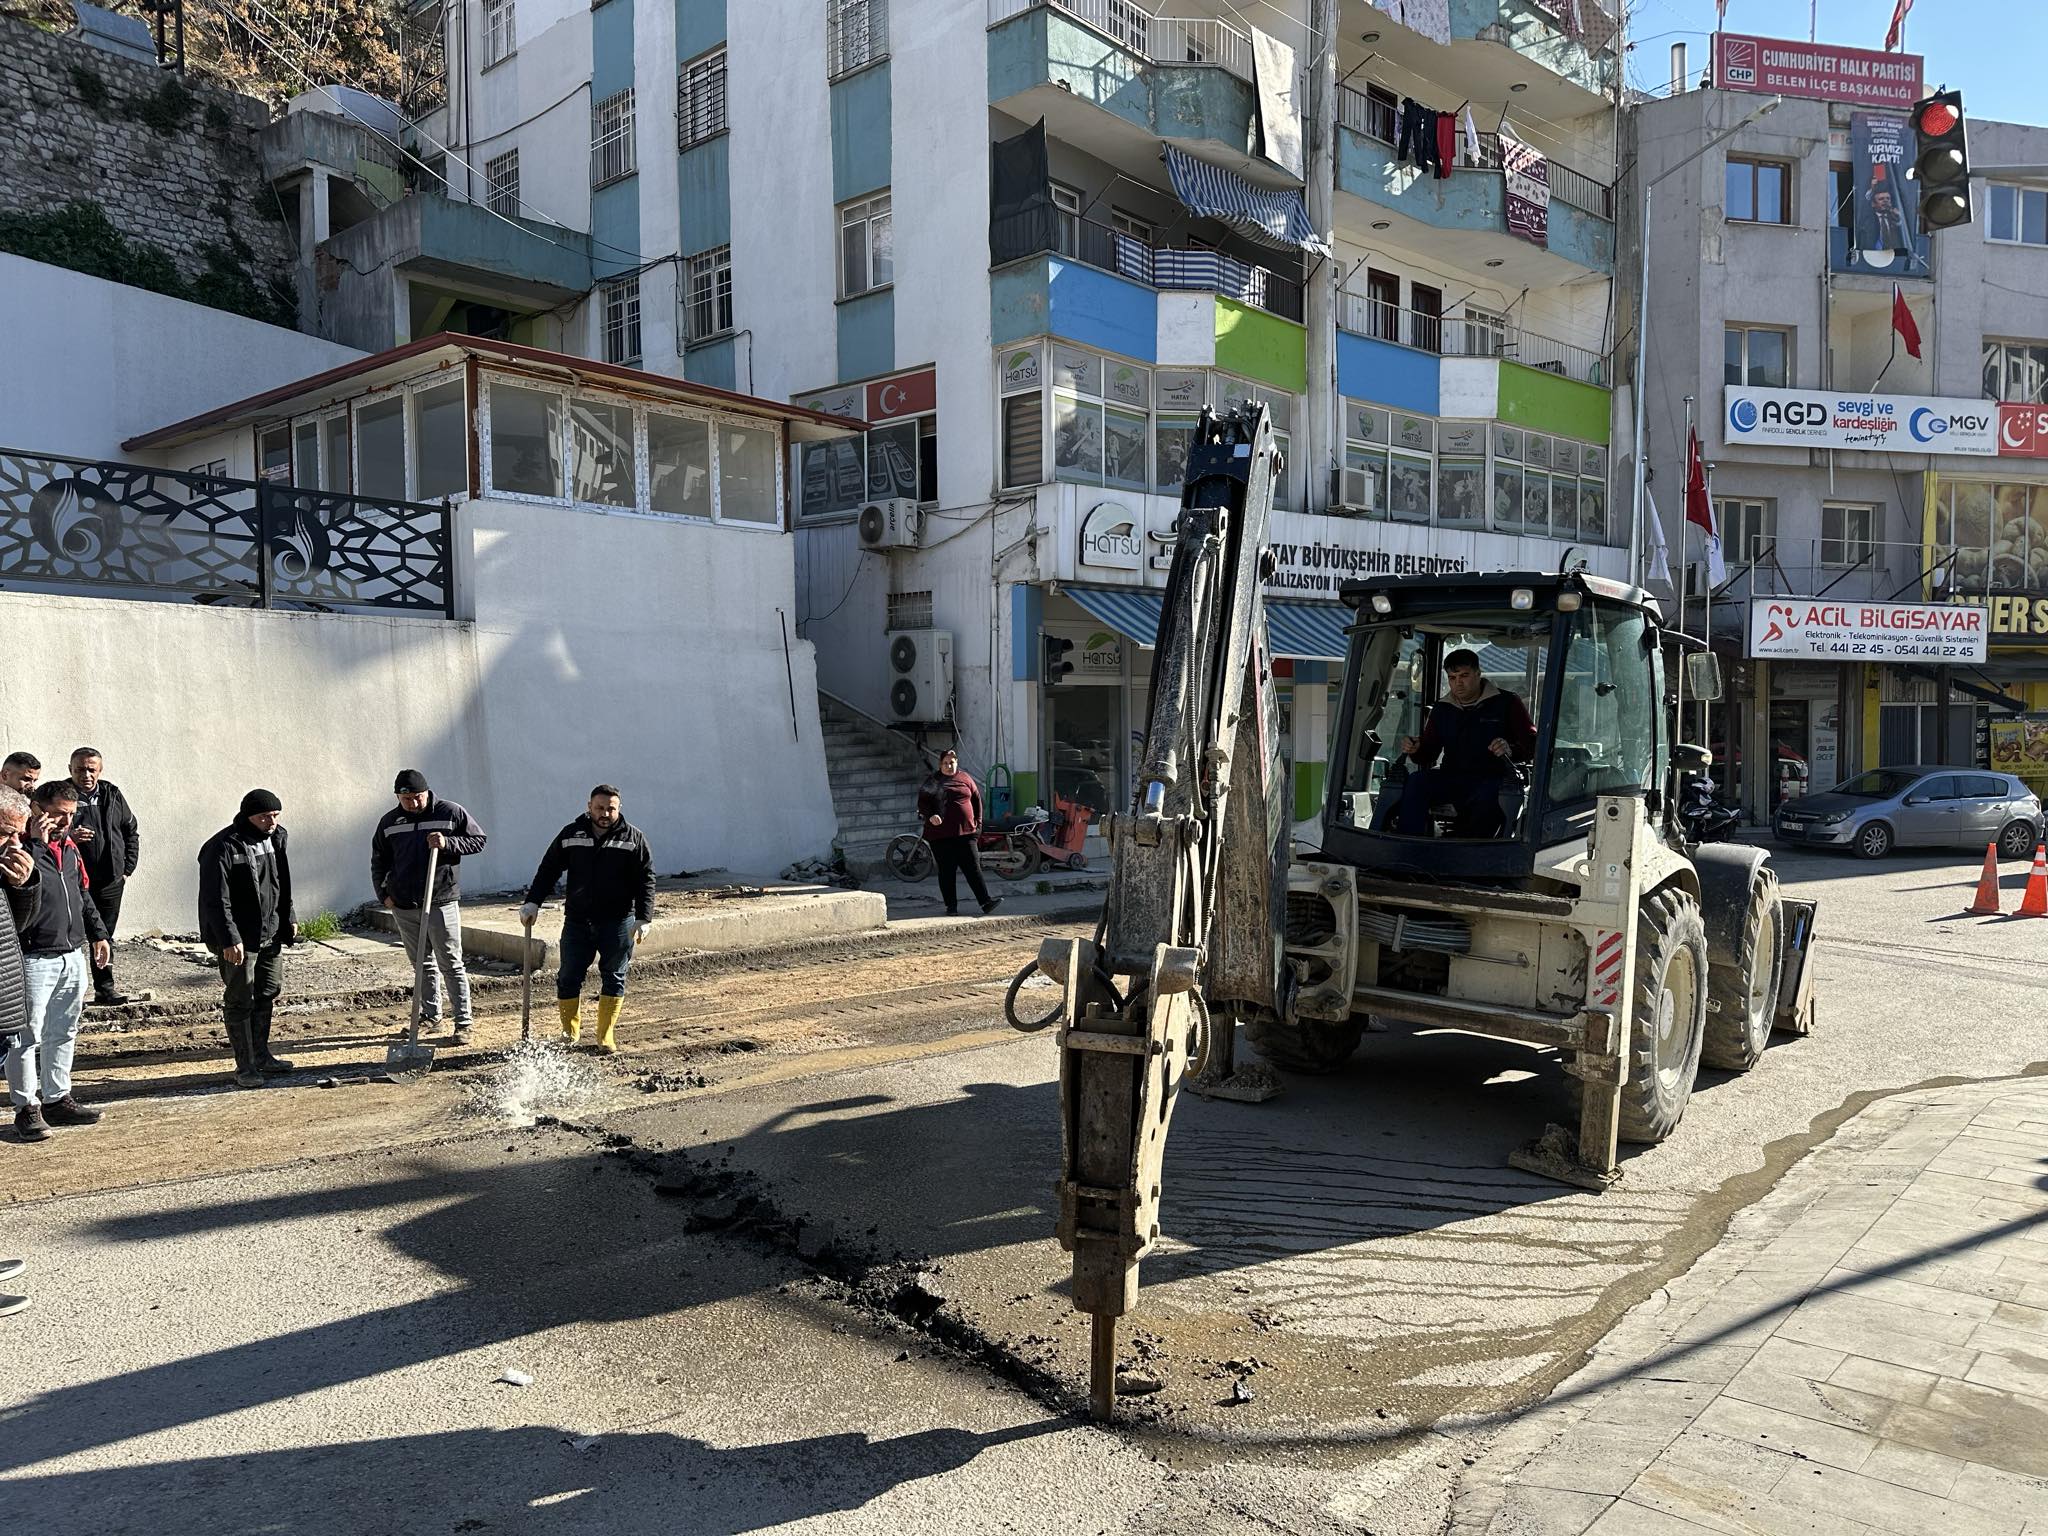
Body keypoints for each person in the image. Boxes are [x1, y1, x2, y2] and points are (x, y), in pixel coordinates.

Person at [6, 782, 109, 1139]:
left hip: (71, 953)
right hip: (33, 956)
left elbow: (82, 894)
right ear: (38, 809)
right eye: (58, 813)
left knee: (63, 1031)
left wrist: (98, 934)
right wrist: (34, 843)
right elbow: (20, 894)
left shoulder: (69, 849)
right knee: (26, 1036)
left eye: (70, 813)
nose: (65, 820)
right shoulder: (19, 847)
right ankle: (26, 1107)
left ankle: (57, 1097)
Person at [520, 785, 654, 1056]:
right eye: (600, 808)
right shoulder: (571, 835)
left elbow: (646, 879)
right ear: (589, 806)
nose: (605, 813)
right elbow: (549, 869)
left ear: (619, 808)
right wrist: (533, 901)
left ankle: (605, 1036)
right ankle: (570, 1034)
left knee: (614, 977)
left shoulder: (633, 839)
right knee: (568, 976)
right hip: (578, 921)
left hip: (618, 922)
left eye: (611, 808)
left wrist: (644, 917)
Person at [371, 770, 487, 1045]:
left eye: (417, 797)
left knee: (451, 963)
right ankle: (430, 1016)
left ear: (427, 792)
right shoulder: (389, 822)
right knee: (421, 964)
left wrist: (448, 843)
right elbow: (379, 859)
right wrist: (384, 895)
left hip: (439, 900)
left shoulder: (450, 812)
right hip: (404, 904)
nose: (413, 803)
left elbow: (478, 840)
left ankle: (463, 1022)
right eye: (406, 798)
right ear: (398, 796)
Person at [197, 790, 299, 1089]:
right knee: (241, 998)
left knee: (267, 989)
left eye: (275, 816)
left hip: (270, 933)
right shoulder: (222, 847)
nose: (271, 822)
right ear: (248, 815)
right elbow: (215, 899)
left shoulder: (276, 838)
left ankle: (262, 1055)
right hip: (240, 939)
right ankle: (245, 1066)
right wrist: (229, 939)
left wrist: (289, 917)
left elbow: (280, 883)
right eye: (264, 817)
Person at [1393, 648, 1537, 838]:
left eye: (1464, 676)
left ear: (1478, 674)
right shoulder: (1442, 708)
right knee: (1417, 782)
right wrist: (1416, 749)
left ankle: (1472, 849)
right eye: (1452, 678)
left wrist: (1510, 749)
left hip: (1492, 777)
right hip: (1452, 776)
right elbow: (1428, 753)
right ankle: (1408, 846)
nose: (1458, 683)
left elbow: (1532, 745)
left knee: (1490, 795)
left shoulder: (1507, 702)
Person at [65, 748, 142, 1007]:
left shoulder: (112, 794)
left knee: (104, 936)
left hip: (110, 880)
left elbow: (131, 830)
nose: (86, 774)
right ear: (70, 769)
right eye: (80, 769)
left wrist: (127, 868)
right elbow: (44, 834)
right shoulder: (61, 796)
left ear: (100, 769)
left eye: (91, 769)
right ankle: (68, 994)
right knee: (73, 934)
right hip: (73, 880)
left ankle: (105, 990)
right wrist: (68, 837)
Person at [0, 786, 38, 1308]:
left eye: (15, 833)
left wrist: (24, 888)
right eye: (4, 832)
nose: (11, 843)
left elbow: (17, 929)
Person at [917, 749, 1002, 917]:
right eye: (946, 763)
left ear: (957, 763)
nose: (949, 766)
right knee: (947, 871)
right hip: (941, 835)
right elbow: (922, 803)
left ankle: (985, 902)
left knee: (973, 868)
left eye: (952, 762)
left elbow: (977, 800)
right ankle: (951, 906)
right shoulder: (934, 781)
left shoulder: (965, 778)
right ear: (940, 765)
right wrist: (931, 815)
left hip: (967, 833)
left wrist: (978, 824)